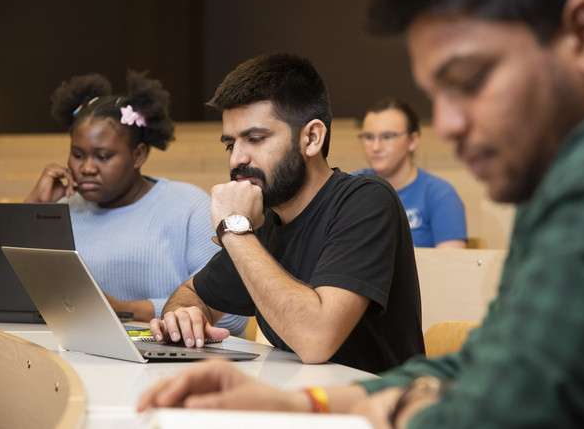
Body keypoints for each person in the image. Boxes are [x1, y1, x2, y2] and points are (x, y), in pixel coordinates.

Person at [137, 0, 584, 427]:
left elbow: (514, 407)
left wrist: (393, 405)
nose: (449, 123)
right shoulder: (562, 179)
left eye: (471, 79)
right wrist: (301, 402)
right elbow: (487, 361)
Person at [148, 53, 425, 374]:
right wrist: (186, 315)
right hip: (297, 401)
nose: (237, 159)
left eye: (255, 139)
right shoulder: (263, 220)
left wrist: (233, 229)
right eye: (230, 144)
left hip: (378, 412)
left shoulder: (366, 200)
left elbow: (316, 340)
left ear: (311, 138)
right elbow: (190, 294)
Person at [24, 71, 247, 336]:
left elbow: (232, 314)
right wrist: (34, 208)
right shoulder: (62, 207)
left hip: (173, 359)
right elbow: (3, 291)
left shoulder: (189, 206)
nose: (86, 168)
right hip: (82, 352)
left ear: (138, 155)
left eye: (103, 156)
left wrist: (125, 309)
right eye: (77, 154)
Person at [353, 97, 467, 248]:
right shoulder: (351, 187)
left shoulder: (440, 194)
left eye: (387, 137)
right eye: (368, 137)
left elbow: (452, 264)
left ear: (412, 140)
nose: (375, 147)